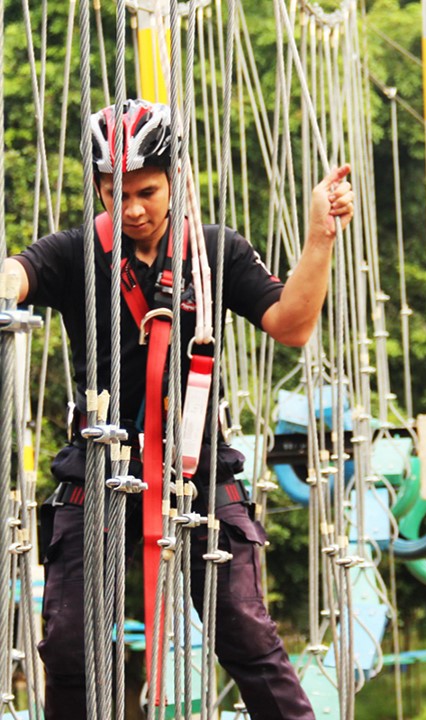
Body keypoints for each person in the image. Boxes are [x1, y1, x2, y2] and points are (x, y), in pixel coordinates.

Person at [0, 99, 353, 719]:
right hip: (100, 469)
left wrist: (319, 238)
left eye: (147, 191)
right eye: (115, 193)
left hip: (196, 468)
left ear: (175, 180)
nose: (132, 209)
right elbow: (18, 274)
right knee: (69, 645)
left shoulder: (214, 251)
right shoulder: (80, 250)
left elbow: (291, 324)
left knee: (243, 629)